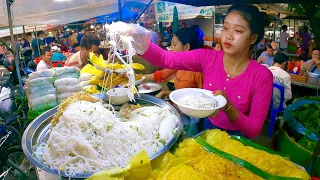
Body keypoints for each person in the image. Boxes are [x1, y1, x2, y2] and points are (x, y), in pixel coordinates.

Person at [110, 4, 273, 138]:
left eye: (238, 31)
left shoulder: (262, 76)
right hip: (208, 131)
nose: (228, 36)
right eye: (225, 28)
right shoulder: (208, 58)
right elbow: (167, 59)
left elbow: (254, 129)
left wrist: (228, 107)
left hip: (239, 140)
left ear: (253, 37)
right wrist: (139, 38)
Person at [143, 27, 204, 99]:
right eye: (171, 45)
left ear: (187, 47)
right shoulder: (180, 64)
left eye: (174, 45)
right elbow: (162, 74)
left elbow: (201, 96)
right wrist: (138, 79)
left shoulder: (198, 72)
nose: (171, 48)